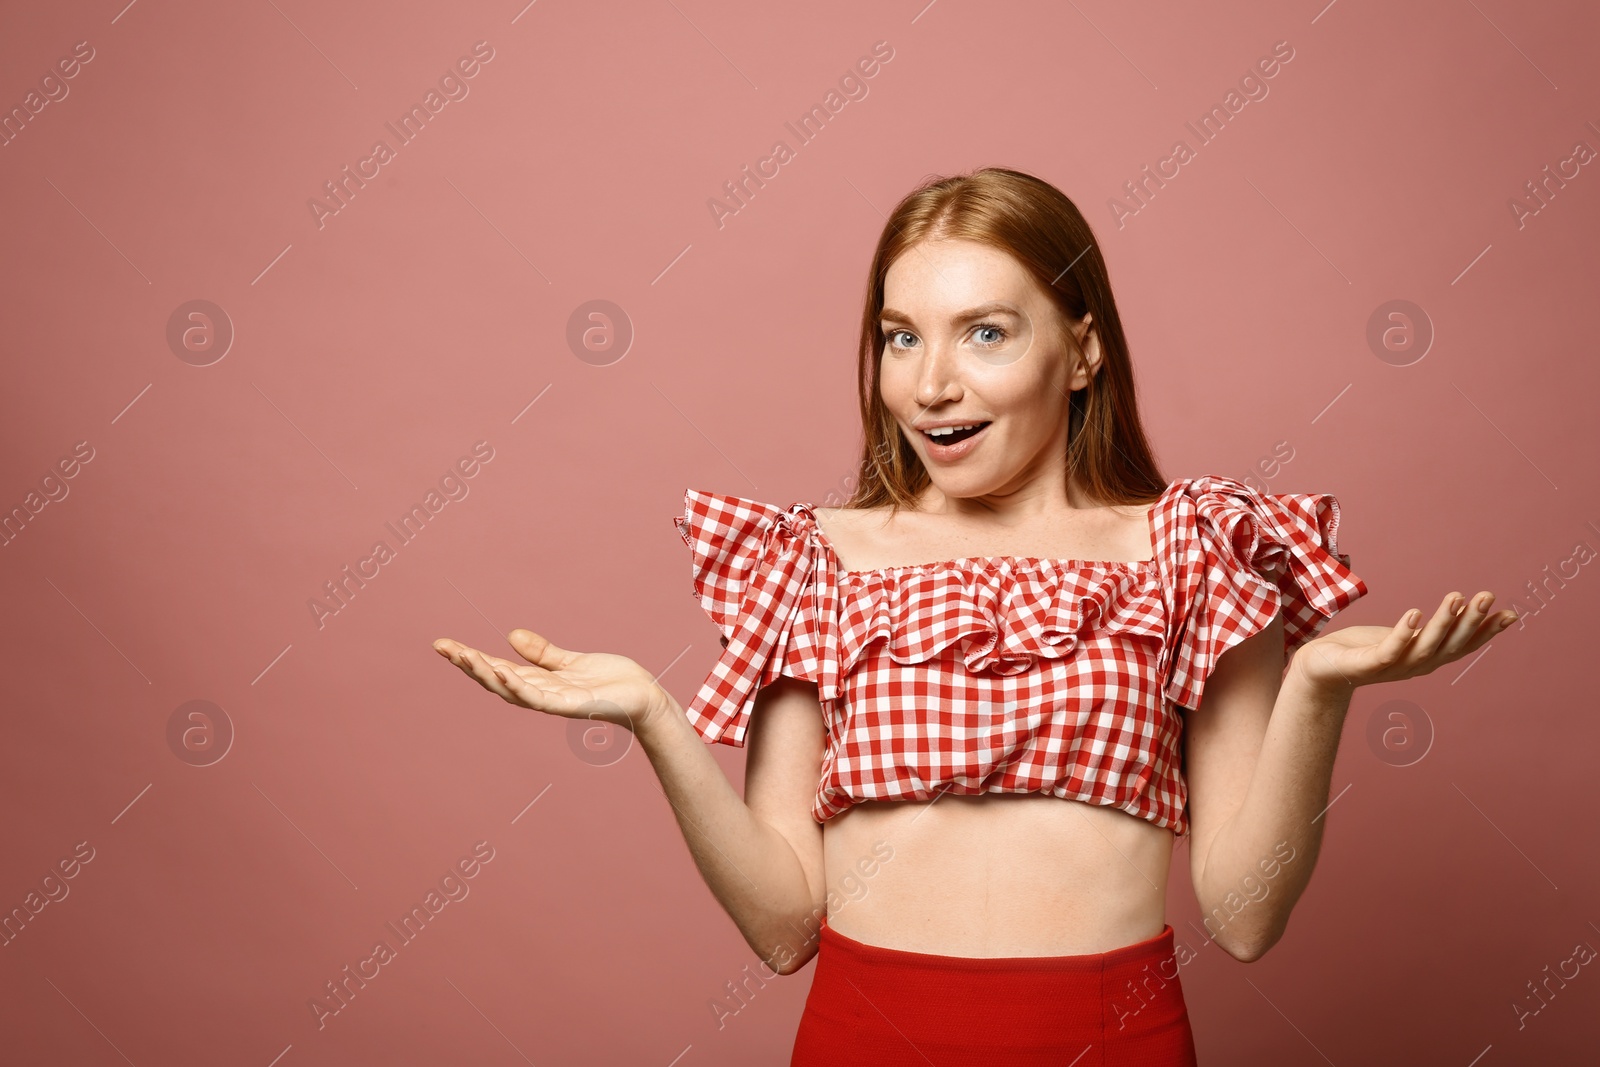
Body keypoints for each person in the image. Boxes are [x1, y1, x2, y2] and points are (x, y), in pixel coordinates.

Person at [432, 167, 1518, 1065]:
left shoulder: (1195, 553)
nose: (931, 385)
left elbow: (1243, 917)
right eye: (901, 338)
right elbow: (782, 928)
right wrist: (656, 721)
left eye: (985, 333)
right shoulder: (819, 562)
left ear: (1081, 351)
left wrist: (1317, 689)